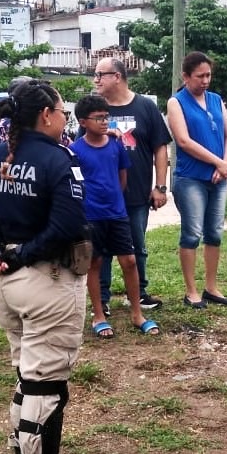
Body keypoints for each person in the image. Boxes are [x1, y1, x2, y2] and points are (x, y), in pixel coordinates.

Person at [0, 79, 88, 454]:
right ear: (45, 116)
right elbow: (66, 225)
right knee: (45, 384)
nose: (65, 119)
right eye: (62, 111)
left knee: (26, 376)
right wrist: (22, 253)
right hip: (46, 282)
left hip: (5, 285)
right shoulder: (59, 160)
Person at [70, 93, 159, 338]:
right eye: (98, 118)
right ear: (82, 122)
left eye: (106, 118)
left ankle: (137, 314)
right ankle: (98, 315)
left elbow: (122, 178)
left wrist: (113, 202)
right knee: (96, 263)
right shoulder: (74, 150)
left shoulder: (116, 144)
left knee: (129, 261)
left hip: (117, 214)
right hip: (91, 217)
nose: (104, 122)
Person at [92, 57, 171, 311]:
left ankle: (138, 293)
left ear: (117, 76)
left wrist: (160, 186)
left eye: (100, 74)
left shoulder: (145, 107)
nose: (96, 80)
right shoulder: (95, 108)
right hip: (102, 195)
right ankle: (101, 300)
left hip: (136, 193)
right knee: (101, 249)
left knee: (137, 245)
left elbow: (160, 148)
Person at [166, 51, 227, 309]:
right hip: (191, 178)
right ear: (186, 76)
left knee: (215, 233)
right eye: (200, 76)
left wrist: (224, 164)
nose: (205, 80)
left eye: (208, 75)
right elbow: (183, 141)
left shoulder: (216, 100)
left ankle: (211, 287)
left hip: (218, 178)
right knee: (192, 233)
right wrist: (217, 162)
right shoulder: (177, 102)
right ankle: (191, 290)